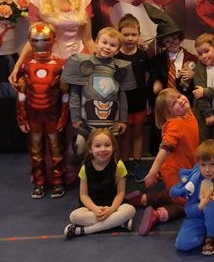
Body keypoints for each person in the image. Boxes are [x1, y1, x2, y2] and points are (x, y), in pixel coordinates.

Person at [9, 0, 95, 85]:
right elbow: (33, 41)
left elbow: (88, 39)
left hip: (79, 59)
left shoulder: (84, 2)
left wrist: (102, 64)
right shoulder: (37, 4)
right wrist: (17, 67)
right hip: (48, 61)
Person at [126, 88, 199, 236]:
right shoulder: (176, 124)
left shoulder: (187, 114)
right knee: (186, 201)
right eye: (174, 103)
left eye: (179, 96)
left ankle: (142, 199)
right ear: (168, 114)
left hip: (185, 170)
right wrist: (153, 172)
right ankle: (158, 214)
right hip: (177, 173)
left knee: (171, 194)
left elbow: (185, 105)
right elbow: (164, 149)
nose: (180, 101)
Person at [61, 27, 136, 157]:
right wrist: (75, 117)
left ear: (118, 50)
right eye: (104, 42)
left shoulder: (120, 68)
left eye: (112, 45)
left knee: (110, 153)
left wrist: (123, 120)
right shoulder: (82, 64)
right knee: (80, 150)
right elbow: (75, 93)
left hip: (111, 123)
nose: (107, 47)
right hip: (86, 123)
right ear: (96, 42)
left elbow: (122, 96)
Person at [16, 22, 69, 199]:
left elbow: (65, 95)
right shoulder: (25, 67)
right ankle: (39, 183)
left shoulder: (60, 66)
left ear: (52, 40)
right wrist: (22, 118)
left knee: (56, 150)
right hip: (34, 118)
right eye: (36, 40)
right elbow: (21, 95)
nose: (40, 43)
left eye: (45, 39)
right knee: (36, 152)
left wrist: (63, 116)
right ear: (30, 41)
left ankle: (58, 182)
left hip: (53, 116)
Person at [169, 139, 214, 256]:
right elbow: (188, 211)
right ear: (199, 164)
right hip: (197, 218)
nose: (207, 170)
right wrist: (200, 206)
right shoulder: (194, 181)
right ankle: (212, 230)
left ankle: (211, 236)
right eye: (203, 165)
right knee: (182, 244)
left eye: (212, 164)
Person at [144, 2, 197, 155]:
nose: (172, 43)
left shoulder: (191, 59)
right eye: (167, 41)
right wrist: (154, 84)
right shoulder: (157, 61)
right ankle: (162, 162)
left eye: (174, 39)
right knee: (164, 137)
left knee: (183, 136)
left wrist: (194, 76)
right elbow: (151, 81)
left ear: (180, 38)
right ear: (162, 43)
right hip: (164, 106)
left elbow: (200, 82)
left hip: (183, 104)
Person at [64, 128, 136, 239]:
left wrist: (112, 209)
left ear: (113, 147)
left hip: (114, 206)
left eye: (107, 145)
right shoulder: (85, 168)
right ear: (90, 149)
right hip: (92, 209)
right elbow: (83, 195)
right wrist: (95, 209)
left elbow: (120, 193)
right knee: (74, 216)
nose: (103, 149)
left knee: (130, 210)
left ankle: (85, 230)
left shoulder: (119, 165)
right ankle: (118, 223)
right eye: (97, 146)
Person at [116, 13, 152, 182]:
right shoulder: (116, 56)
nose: (130, 38)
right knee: (123, 134)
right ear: (119, 34)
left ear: (139, 34)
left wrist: (147, 101)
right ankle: (125, 163)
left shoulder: (143, 55)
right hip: (122, 103)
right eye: (126, 34)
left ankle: (137, 163)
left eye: (133, 34)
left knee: (137, 132)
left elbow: (147, 77)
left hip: (139, 101)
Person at [192, 33, 214, 142]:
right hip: (201, 112)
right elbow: (198, 93)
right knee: (202, 141)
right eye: (200, 54)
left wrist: (205, 91)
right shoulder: (199, 68)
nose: (203, 56)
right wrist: (208, 114)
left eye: (206, 51)